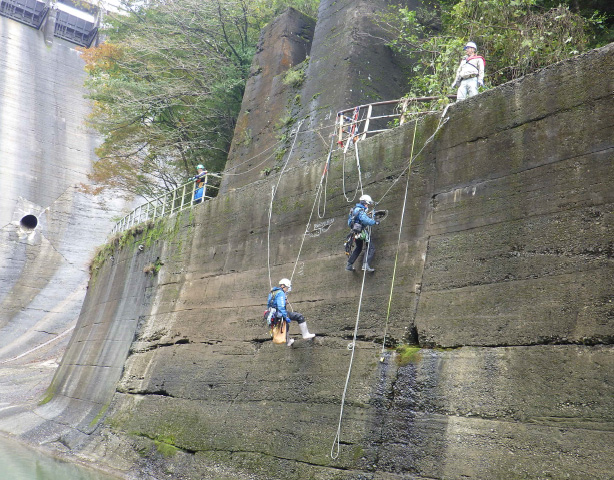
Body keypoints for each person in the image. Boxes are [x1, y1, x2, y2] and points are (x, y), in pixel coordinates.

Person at [267, 278, 315, 346]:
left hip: (273, 314)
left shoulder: (272, 292)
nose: (288, 289)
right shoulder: (280, 293)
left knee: (286, 325)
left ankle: (288, 342)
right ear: (283, 286)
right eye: (287, 287)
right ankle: (305, 334)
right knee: (299, 316)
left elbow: (268, 304)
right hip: (279, 313)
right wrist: (285, 316)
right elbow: (281, 307)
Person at [346, 194, 379, 272]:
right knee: (371, 247)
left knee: (359, 248)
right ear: (364, 203)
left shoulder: (353, 210)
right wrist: (374, 222)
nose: (368, 205)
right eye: (367, 204)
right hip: (362, 232)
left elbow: (349, 222)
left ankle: (349, 265)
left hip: (355, 232)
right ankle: (365, 265)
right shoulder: (360, 210)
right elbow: (365, 220)